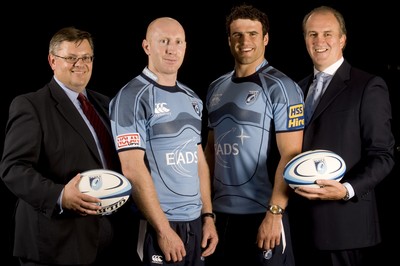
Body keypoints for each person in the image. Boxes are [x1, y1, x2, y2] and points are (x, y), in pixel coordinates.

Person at [0, 26, 140, 266]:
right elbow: (13, 168)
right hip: (55, 242)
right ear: (52, 61)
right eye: (71, 58)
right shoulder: (31, 105)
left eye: (86, 57)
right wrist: (60, 195)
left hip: (104, 236)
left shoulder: (105, 104)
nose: (80, 64)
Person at [289, 6, 395, 266]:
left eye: (327, 33)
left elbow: (383, 155)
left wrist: (346, 190)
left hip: (345, 229)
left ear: (342, 40)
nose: (319, 41)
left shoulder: (368, 85)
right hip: (300, 227)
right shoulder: (295, 89)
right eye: (312, 34)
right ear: (305, 39)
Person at [109, 17, 218, 266]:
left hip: (195, 225)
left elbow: (198, 161)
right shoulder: (131, 97)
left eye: (178, 42)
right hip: (155, 226)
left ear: (185, 47)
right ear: (147, 46)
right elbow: (132, 169)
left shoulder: (192, 98)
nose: (172, 48)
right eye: (164, 41)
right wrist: (163, 230)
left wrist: (207, 216)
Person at [203, 4, 304, 266]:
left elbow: (291, 156)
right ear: (229, 40)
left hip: (263, 215)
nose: (245, 41)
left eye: (252, 34)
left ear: (265, 38)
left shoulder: (283, 87)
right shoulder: (216, 87)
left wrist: (275, 213)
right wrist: (207, 213)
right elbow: (210, 151)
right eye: (237, 35)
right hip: (220, 217)